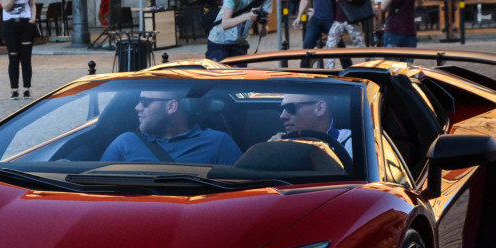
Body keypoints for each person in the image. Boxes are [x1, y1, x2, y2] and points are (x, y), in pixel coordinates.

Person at [101, 89, 242, 165]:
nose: (137, 107)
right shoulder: (125, 142)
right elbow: (99, 188)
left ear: (171, 106)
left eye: (145, 101)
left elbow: (240, 194)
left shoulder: (218, 143)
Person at [205, 0, 271, 62]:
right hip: (219, 40)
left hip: (240, 43)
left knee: (239, 76)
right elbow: (225, 24)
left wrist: (264, 23)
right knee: (221, 74)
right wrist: (247, 16)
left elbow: (264, 33)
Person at [269, 92, 353, 160]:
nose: (282, 116)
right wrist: (274, 149)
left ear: (320, 108)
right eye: (280, 109)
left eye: (290, 108)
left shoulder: (352, 143)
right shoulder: (282, 144)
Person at [0, 0, 36, 100]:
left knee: (26, 59)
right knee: (13, 58)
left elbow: (32, 4)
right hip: (10, 25)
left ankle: (27, 89)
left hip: (25, 24)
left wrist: (33, 19)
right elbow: (6, 7)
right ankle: (14, 90)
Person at [325, 0, 368, 68]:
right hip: (338, 20)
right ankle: (329, 71)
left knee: (360, 46)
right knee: (330, 45)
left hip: (351, 20)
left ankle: (371, 66)